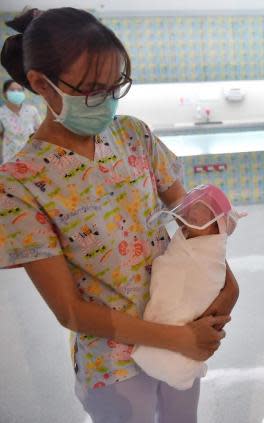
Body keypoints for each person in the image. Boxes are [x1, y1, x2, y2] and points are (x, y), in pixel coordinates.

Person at [0, 7, 238, 423]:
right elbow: (69, 311)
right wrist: (177, 338)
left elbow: (196, 227)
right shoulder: (20, 183)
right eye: (93, 90)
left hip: (182, 319)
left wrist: (225, 290)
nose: (107, 101)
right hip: (112, 361)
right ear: (41, 84)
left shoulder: (133, 135)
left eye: (116, 86)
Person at [132, 184, 245, 391]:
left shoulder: (209, 253)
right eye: (191, 210)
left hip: (184, 339)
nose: (193, 213)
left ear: (216, 228)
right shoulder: (186, 238)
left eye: (202, 212)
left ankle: (174, 362)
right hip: (135, 343)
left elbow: (211, 280)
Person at [0, 79, 41, 162]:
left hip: (32, 155)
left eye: (19, 90)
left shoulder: (32, 110)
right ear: (4, 93)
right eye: (12, 90)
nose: (16, 93)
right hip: (10, 157)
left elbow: (40, 132)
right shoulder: (1, 113)